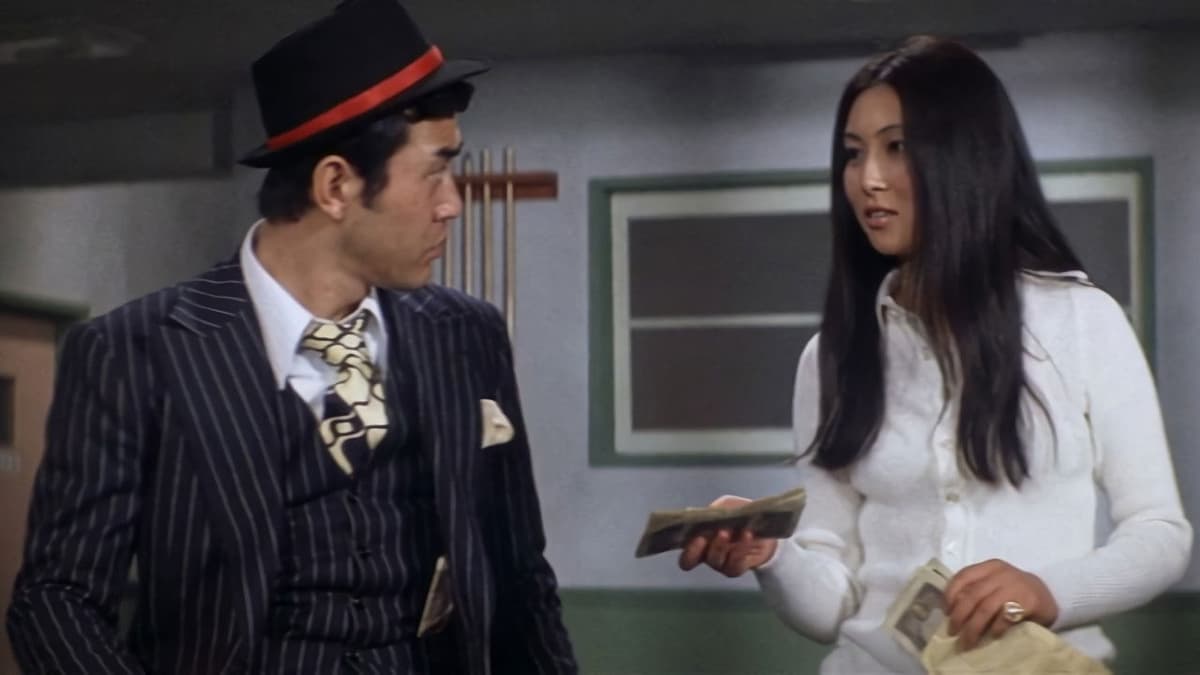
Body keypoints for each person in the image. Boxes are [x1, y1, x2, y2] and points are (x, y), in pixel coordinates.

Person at [6, 1, 577, 673]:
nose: (452, 203)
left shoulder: (466, 334)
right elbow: (57, 601)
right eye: (434, 172)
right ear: (336, 185)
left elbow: (520, 576)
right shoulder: (134, 352)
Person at [678, 36, 1191, 673]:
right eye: (853, 153)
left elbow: (1160, 535)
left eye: (897, 147)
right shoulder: (831, 357)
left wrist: (1044, 592)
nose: (868, 178)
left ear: (967, 157)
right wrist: (773, 557)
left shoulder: (1082, 321)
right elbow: (834, 606)